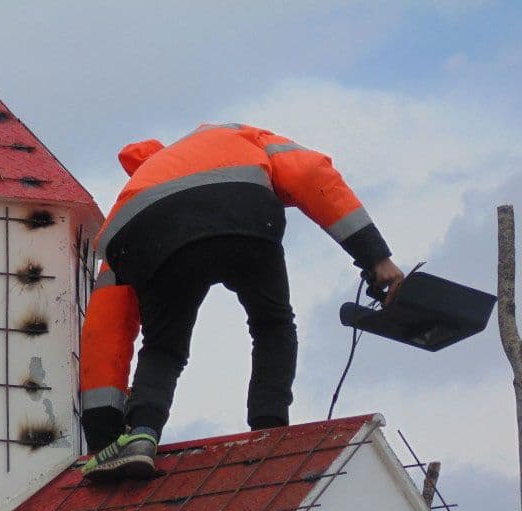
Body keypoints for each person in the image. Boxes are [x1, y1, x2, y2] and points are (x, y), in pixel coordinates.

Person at [80, 122, 404, 480]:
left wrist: (102, 436)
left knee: (162, 348)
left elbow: (105, 330)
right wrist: (375, 258)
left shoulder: (139, 188)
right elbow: (310, 174)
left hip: (145, 233)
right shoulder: (237, 135)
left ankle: (141, 435)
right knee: (272, 325)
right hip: (242, 209)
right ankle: (269, 430)